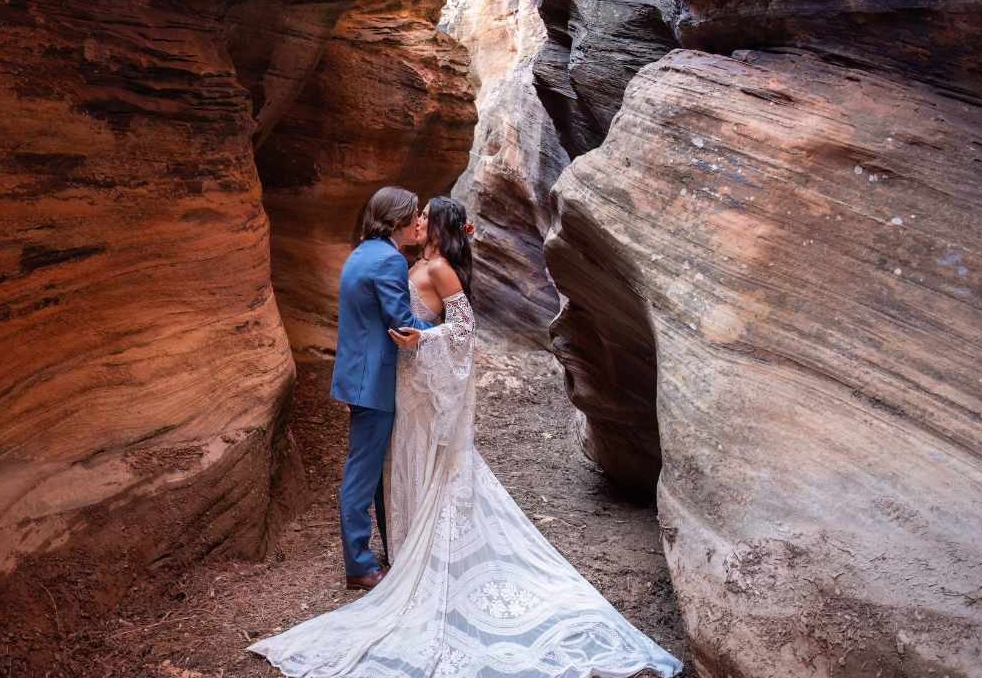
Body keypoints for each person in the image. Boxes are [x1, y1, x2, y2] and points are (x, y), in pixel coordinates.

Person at [249, 196, 682, 677]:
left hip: (410, 382)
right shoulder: (406, 261)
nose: (419, 221)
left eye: (425, 216)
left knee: (424, 463)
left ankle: (411, 554)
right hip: (399, 383)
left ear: (437, 226)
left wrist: (425, 338)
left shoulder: (429, 268)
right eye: (415, 215)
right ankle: (402, 549)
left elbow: (463, 328)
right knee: (400, 464)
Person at [328, 186, 436, 591]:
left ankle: (389, 548)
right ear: (396, 220)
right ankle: (358, 565)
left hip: (359, 375)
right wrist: (445, 334)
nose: (416, 222)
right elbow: (401, 322)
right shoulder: (389, 259)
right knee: (362, 475)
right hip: (373, 380)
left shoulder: (362, 253)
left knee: (375, 472)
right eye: (412, 215)